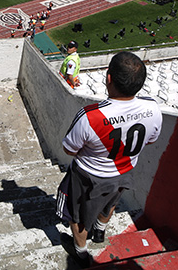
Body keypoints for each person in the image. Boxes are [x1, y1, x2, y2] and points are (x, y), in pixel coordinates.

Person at [56, 52, 162, 267]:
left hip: (89, 176)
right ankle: (100, 230)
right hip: (124, 171)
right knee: (111, 202)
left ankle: (81, 253)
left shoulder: (90, 115)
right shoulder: (153, 108)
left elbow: (69, 149)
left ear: (109, 78)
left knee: (78, 216)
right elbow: (150, 140)